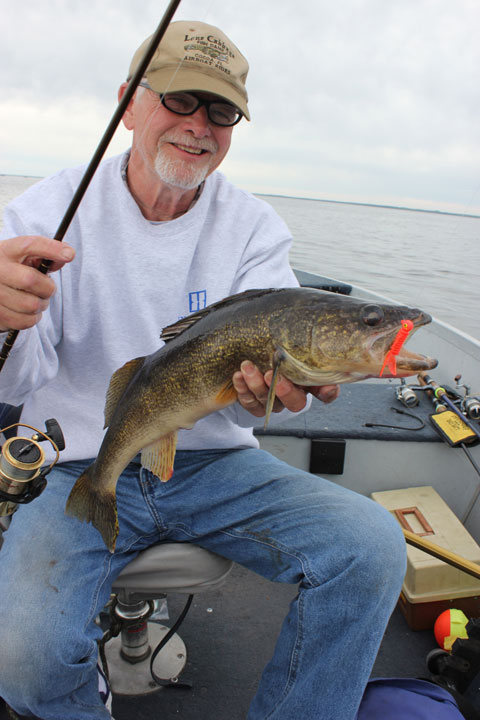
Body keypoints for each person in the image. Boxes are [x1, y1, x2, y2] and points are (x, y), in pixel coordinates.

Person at [0, 20, 406, 720]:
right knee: (20, 656)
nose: (198, 127)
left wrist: (284, 393)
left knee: (369, 546)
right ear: (130, 102)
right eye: (180, 100)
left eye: (221, 112)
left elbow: (285, 373)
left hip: (216, 468)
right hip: (79, 463)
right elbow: (15, 383)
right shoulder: (47, 213)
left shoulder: (253, 227)